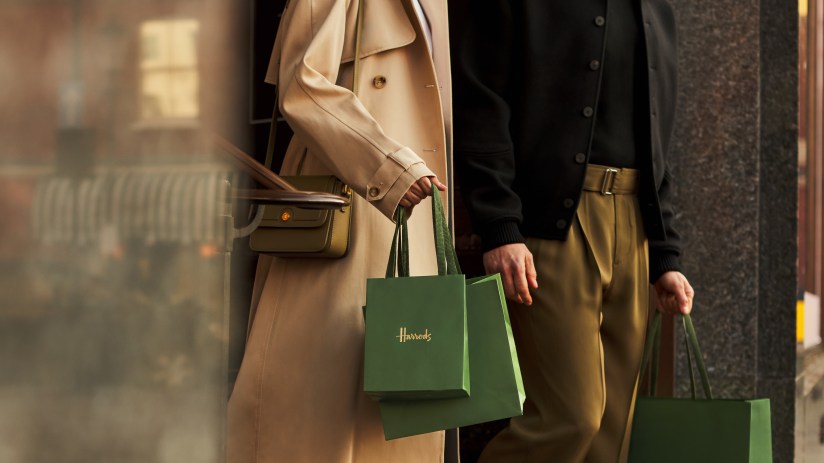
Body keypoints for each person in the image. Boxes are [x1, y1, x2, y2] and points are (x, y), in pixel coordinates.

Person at [452, 1, 694, 462]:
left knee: (611, 433)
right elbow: (481, 105)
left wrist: (665, 254)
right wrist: (500, 225)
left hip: (635, 225)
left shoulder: (658, 10)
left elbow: (657, 136)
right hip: (554, 225)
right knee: (569, 418)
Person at [227, 0, 455, 462]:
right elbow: (301, 83)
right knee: (319, 408)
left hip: (415, 215)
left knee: (398, 407)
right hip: (351, 205)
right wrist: (388, 166)